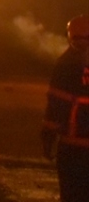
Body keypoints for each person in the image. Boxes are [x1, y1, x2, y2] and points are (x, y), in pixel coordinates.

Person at [43, 14, 89, 202]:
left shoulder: (65, 64)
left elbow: (56, 104)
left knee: (72, 194)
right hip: (73, 145)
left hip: (73, 147)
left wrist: (47, 136)